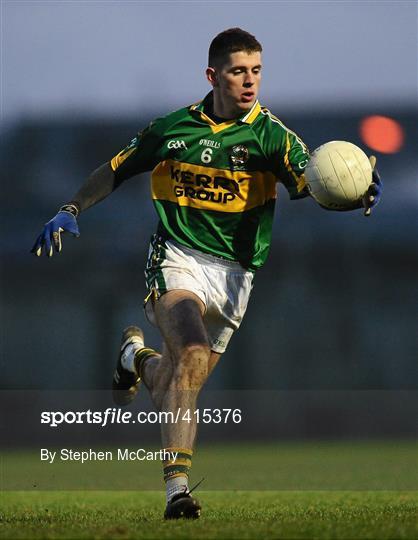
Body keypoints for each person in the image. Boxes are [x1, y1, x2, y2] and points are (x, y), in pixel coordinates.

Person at [31, 28, 382, 519]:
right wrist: (72, 207)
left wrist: (359, 190)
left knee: (181, 379)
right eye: (239, 71)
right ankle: (177, 491)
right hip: (178, 258)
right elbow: (116, 167)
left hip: (236, 277)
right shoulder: (173, 128)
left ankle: (136, 358)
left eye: (256, 71)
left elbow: (321, 183)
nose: (250, 81)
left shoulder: (272, 137)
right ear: (213, 76)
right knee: (192, 352)